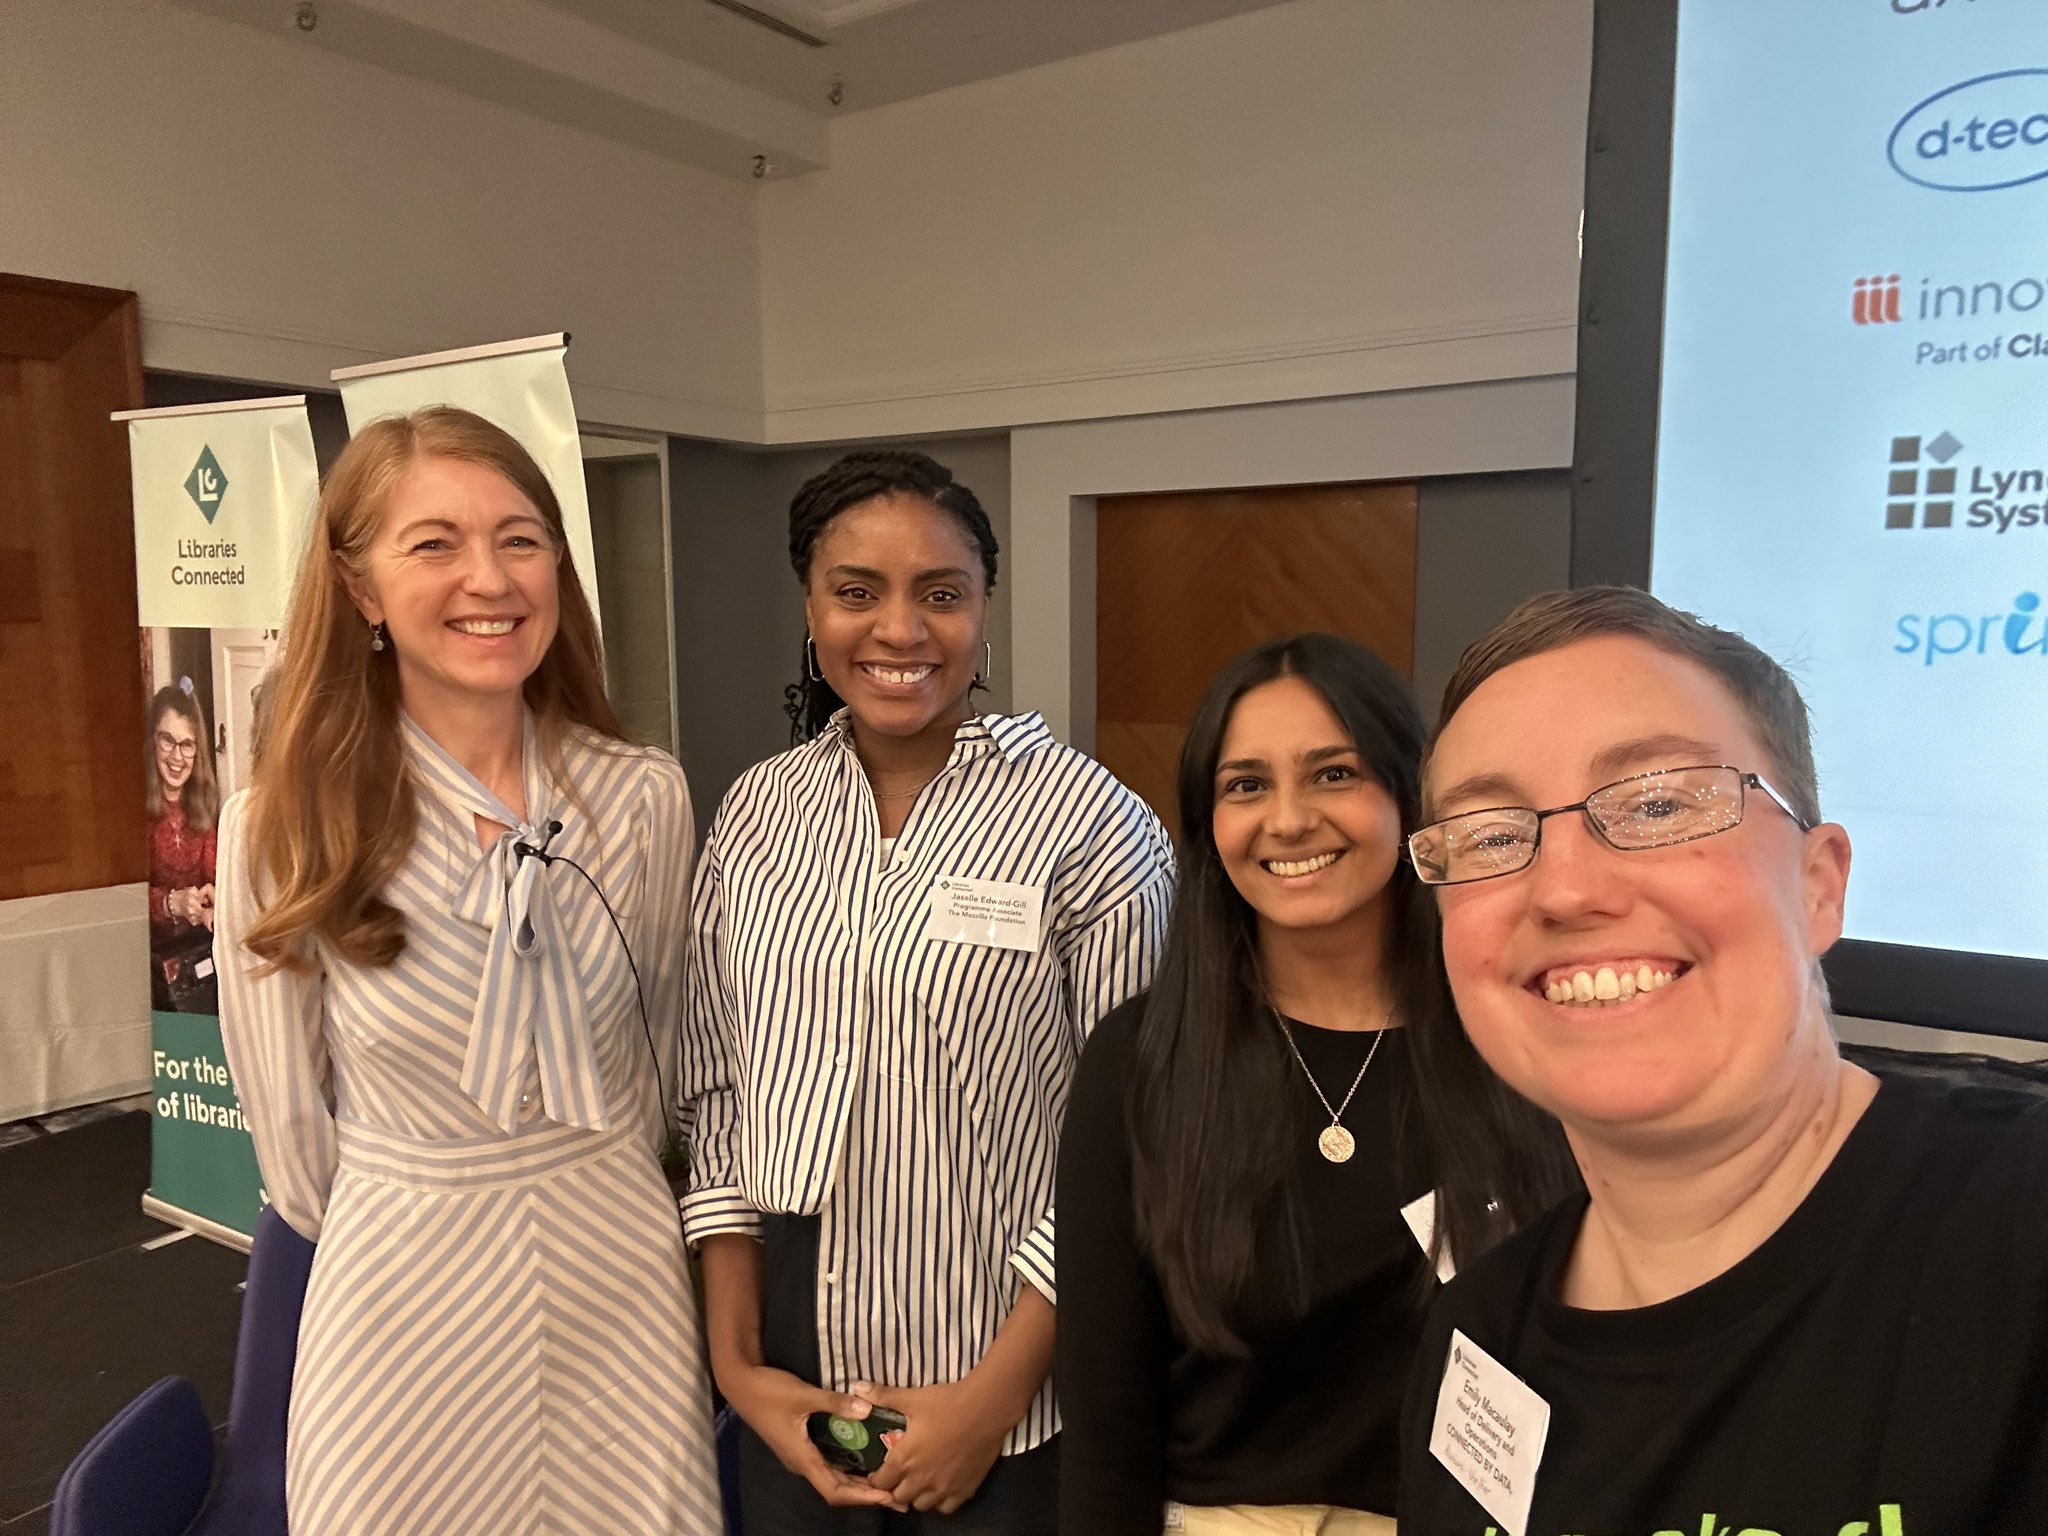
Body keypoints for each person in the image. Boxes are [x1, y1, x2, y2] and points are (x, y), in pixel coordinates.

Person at [1396, 586, 2048, 1535]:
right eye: (1492, 837)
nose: (1566, 888)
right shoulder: (1478, 1339)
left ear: (1820, 887)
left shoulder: (2020, 1237)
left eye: (1659, 802)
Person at [215, 406, 722, 1536]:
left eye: (519, 537)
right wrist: (440, 1191)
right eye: (432, 543)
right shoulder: (285, 826)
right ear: (360, 589)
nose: (486, 577)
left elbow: (658, 1056)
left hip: (616, 1275)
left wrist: (575, 1174)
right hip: (403, 1289)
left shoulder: (640, 798)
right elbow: (296, 1151)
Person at [681, 449, 1175, 1533]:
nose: (899, 631)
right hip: (794, 1362)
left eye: (939, 595)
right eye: (856, 592)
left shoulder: (1090, 829)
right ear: (811, 608)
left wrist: (990, 1403)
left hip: (1008, 1370)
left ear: (983, 611)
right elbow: (717, 1093)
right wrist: (741, 1372)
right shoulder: (758, 815)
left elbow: (1133, 1138)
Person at [1057, 634, 1574, 1536]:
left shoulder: (1512, 1036)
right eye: (1245, 785)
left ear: (1408, 796)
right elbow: (1106, 1413)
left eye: (1333, 774)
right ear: (1207, 826)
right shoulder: (1141, 1060)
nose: (1289, 820)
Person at [146, 681, 220, 1012]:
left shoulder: (205, 802)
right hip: (149, 960)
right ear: (152, 741)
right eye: (168, 740)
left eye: (187, 744)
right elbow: (121, 901)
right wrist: (172, 904)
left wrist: (214, 901)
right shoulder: (130, 807)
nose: (177, 757)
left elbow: (215, 874)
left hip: (198, 953)